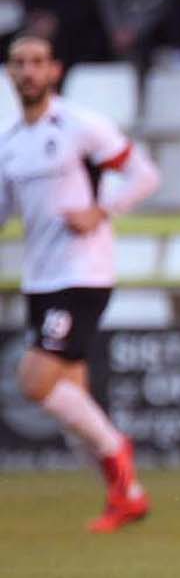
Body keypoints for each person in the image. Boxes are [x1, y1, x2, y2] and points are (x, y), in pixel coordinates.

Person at [0, 35, 161, 531]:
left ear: (55, 70)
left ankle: (118, 452)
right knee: (71, 397)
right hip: (41, 281)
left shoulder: (79, 126)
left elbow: (143, 174)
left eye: (38, 63)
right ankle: (126, 496)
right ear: (9, 73)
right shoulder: (11, 143)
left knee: (34, 381)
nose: (28, 72)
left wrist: (101, 210)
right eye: (19, 64)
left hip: (82, 274)